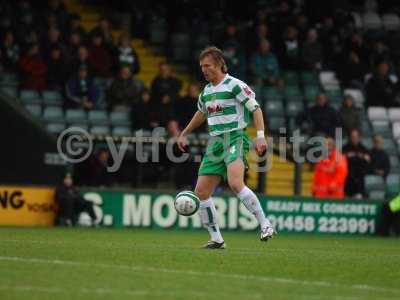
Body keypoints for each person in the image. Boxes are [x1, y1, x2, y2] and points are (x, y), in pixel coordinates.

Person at [177, 46, 275, 249]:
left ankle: (265, 224)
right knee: (201, 191)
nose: (204, 70)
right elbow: (201, 113)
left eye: (208, 66)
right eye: (202, 66)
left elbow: (255, 109)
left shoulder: (235, 85)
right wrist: (184, 132)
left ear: (220, 64)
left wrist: (260, 136)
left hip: (235, 137)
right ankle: (216, 239)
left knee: (235, 182)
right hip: (215, 142)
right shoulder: (206, 91)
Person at [343, 129, 371, 198]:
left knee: (358, 199)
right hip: (347, 179)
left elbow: (368, 163)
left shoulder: (364, 149)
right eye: (352, 136)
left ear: (359, 137)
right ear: (350, 137)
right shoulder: (344, 148)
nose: (354, 138)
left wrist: (364, 158)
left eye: (356, 137)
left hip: (359, 180)